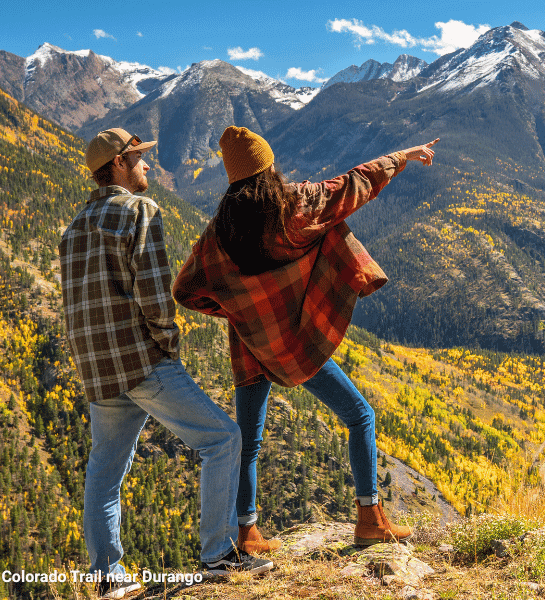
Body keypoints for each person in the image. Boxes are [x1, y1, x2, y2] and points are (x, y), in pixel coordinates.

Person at [173, 126, 438, 553]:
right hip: (298, 341)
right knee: (360, 416)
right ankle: (369, 519)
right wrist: (403, 156)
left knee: (248, 441)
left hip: (251, 345)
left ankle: (247, 534)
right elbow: (352, 184)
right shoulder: (295, 204)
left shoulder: (218, 233)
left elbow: (185, 289)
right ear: (267, 168)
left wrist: (240, 309)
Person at [60, 127, 273, 598]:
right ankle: (217, 555)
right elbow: (154, 294)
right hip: (140, 360)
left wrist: (88, 365)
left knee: (105, 471)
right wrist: (169, 344)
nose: (148, 166)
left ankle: (106, 578)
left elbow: (73, 303)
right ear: (118, 164)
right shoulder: (140, 210)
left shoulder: (74, 227)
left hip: (97, 370)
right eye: (139, 158)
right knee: (223, 438)